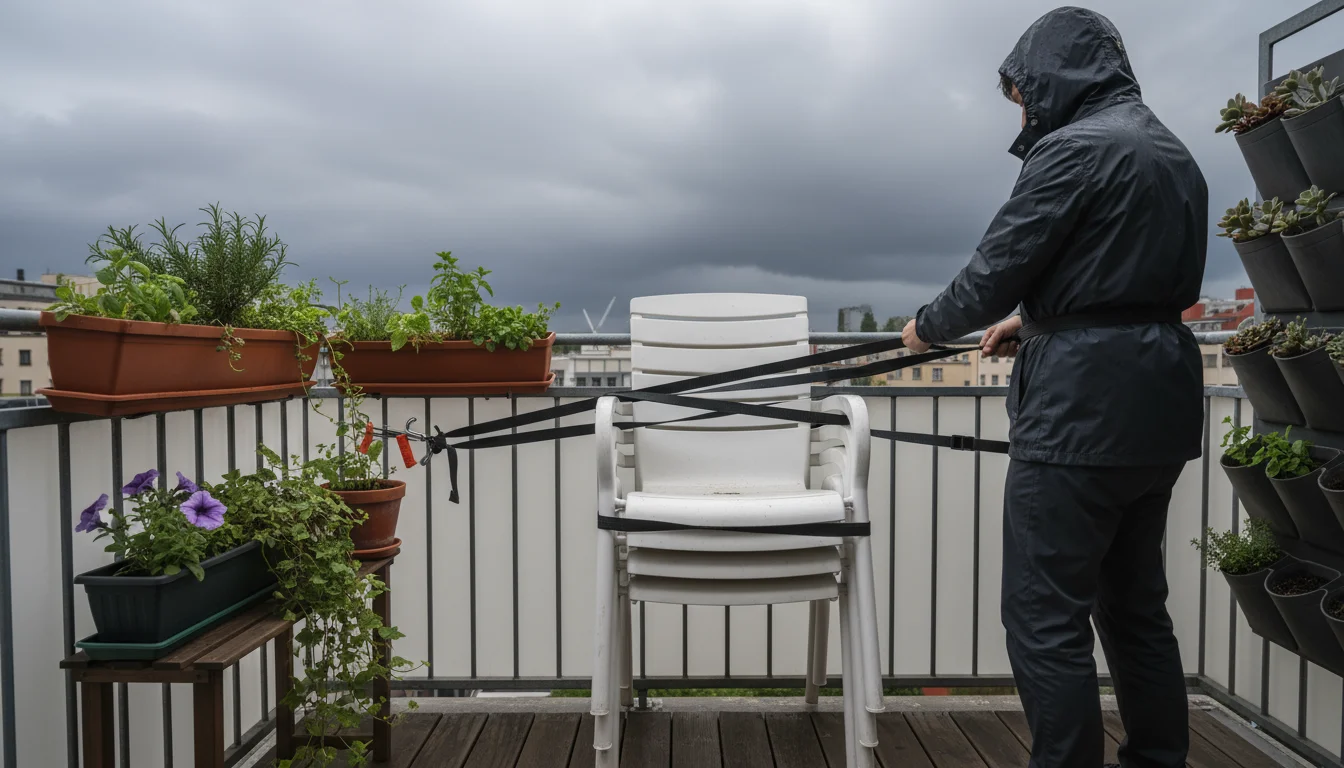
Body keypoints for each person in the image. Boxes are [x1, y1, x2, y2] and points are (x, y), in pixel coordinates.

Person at [900, 7, 1207, 768]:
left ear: (1055, 76)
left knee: (1045, 616)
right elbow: (1125, 281)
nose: (1026, 110)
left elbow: (995, 269)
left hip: (1080, 416)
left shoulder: (1073, 150)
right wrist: (1035, 326)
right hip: (1159, 405)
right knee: (1137, 609)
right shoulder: (1174, 153)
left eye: (1025, 93)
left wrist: (926, 329)